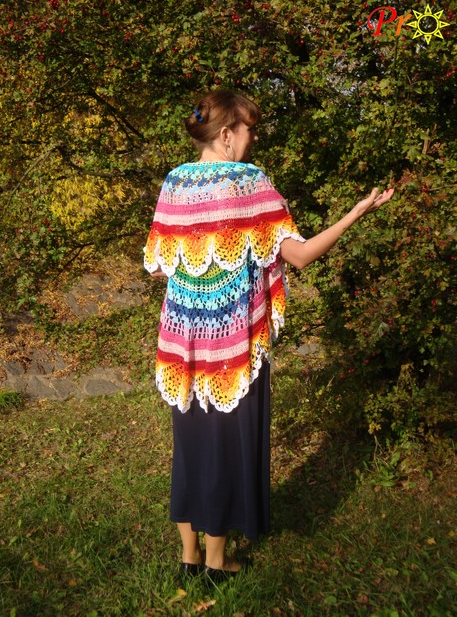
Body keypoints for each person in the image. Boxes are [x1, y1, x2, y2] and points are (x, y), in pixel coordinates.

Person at [143, 90, 394, 581]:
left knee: (191, 446)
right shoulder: (250, 183)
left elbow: (158, 268)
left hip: (182, 346)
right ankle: (217, 563)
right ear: (226, 134)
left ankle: (189, 557)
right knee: (225, 448)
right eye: (250, 129)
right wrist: (356, 213)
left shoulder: (175, 183)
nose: (254, 138)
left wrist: (202, 270)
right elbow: (299, 256)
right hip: (233, 346)